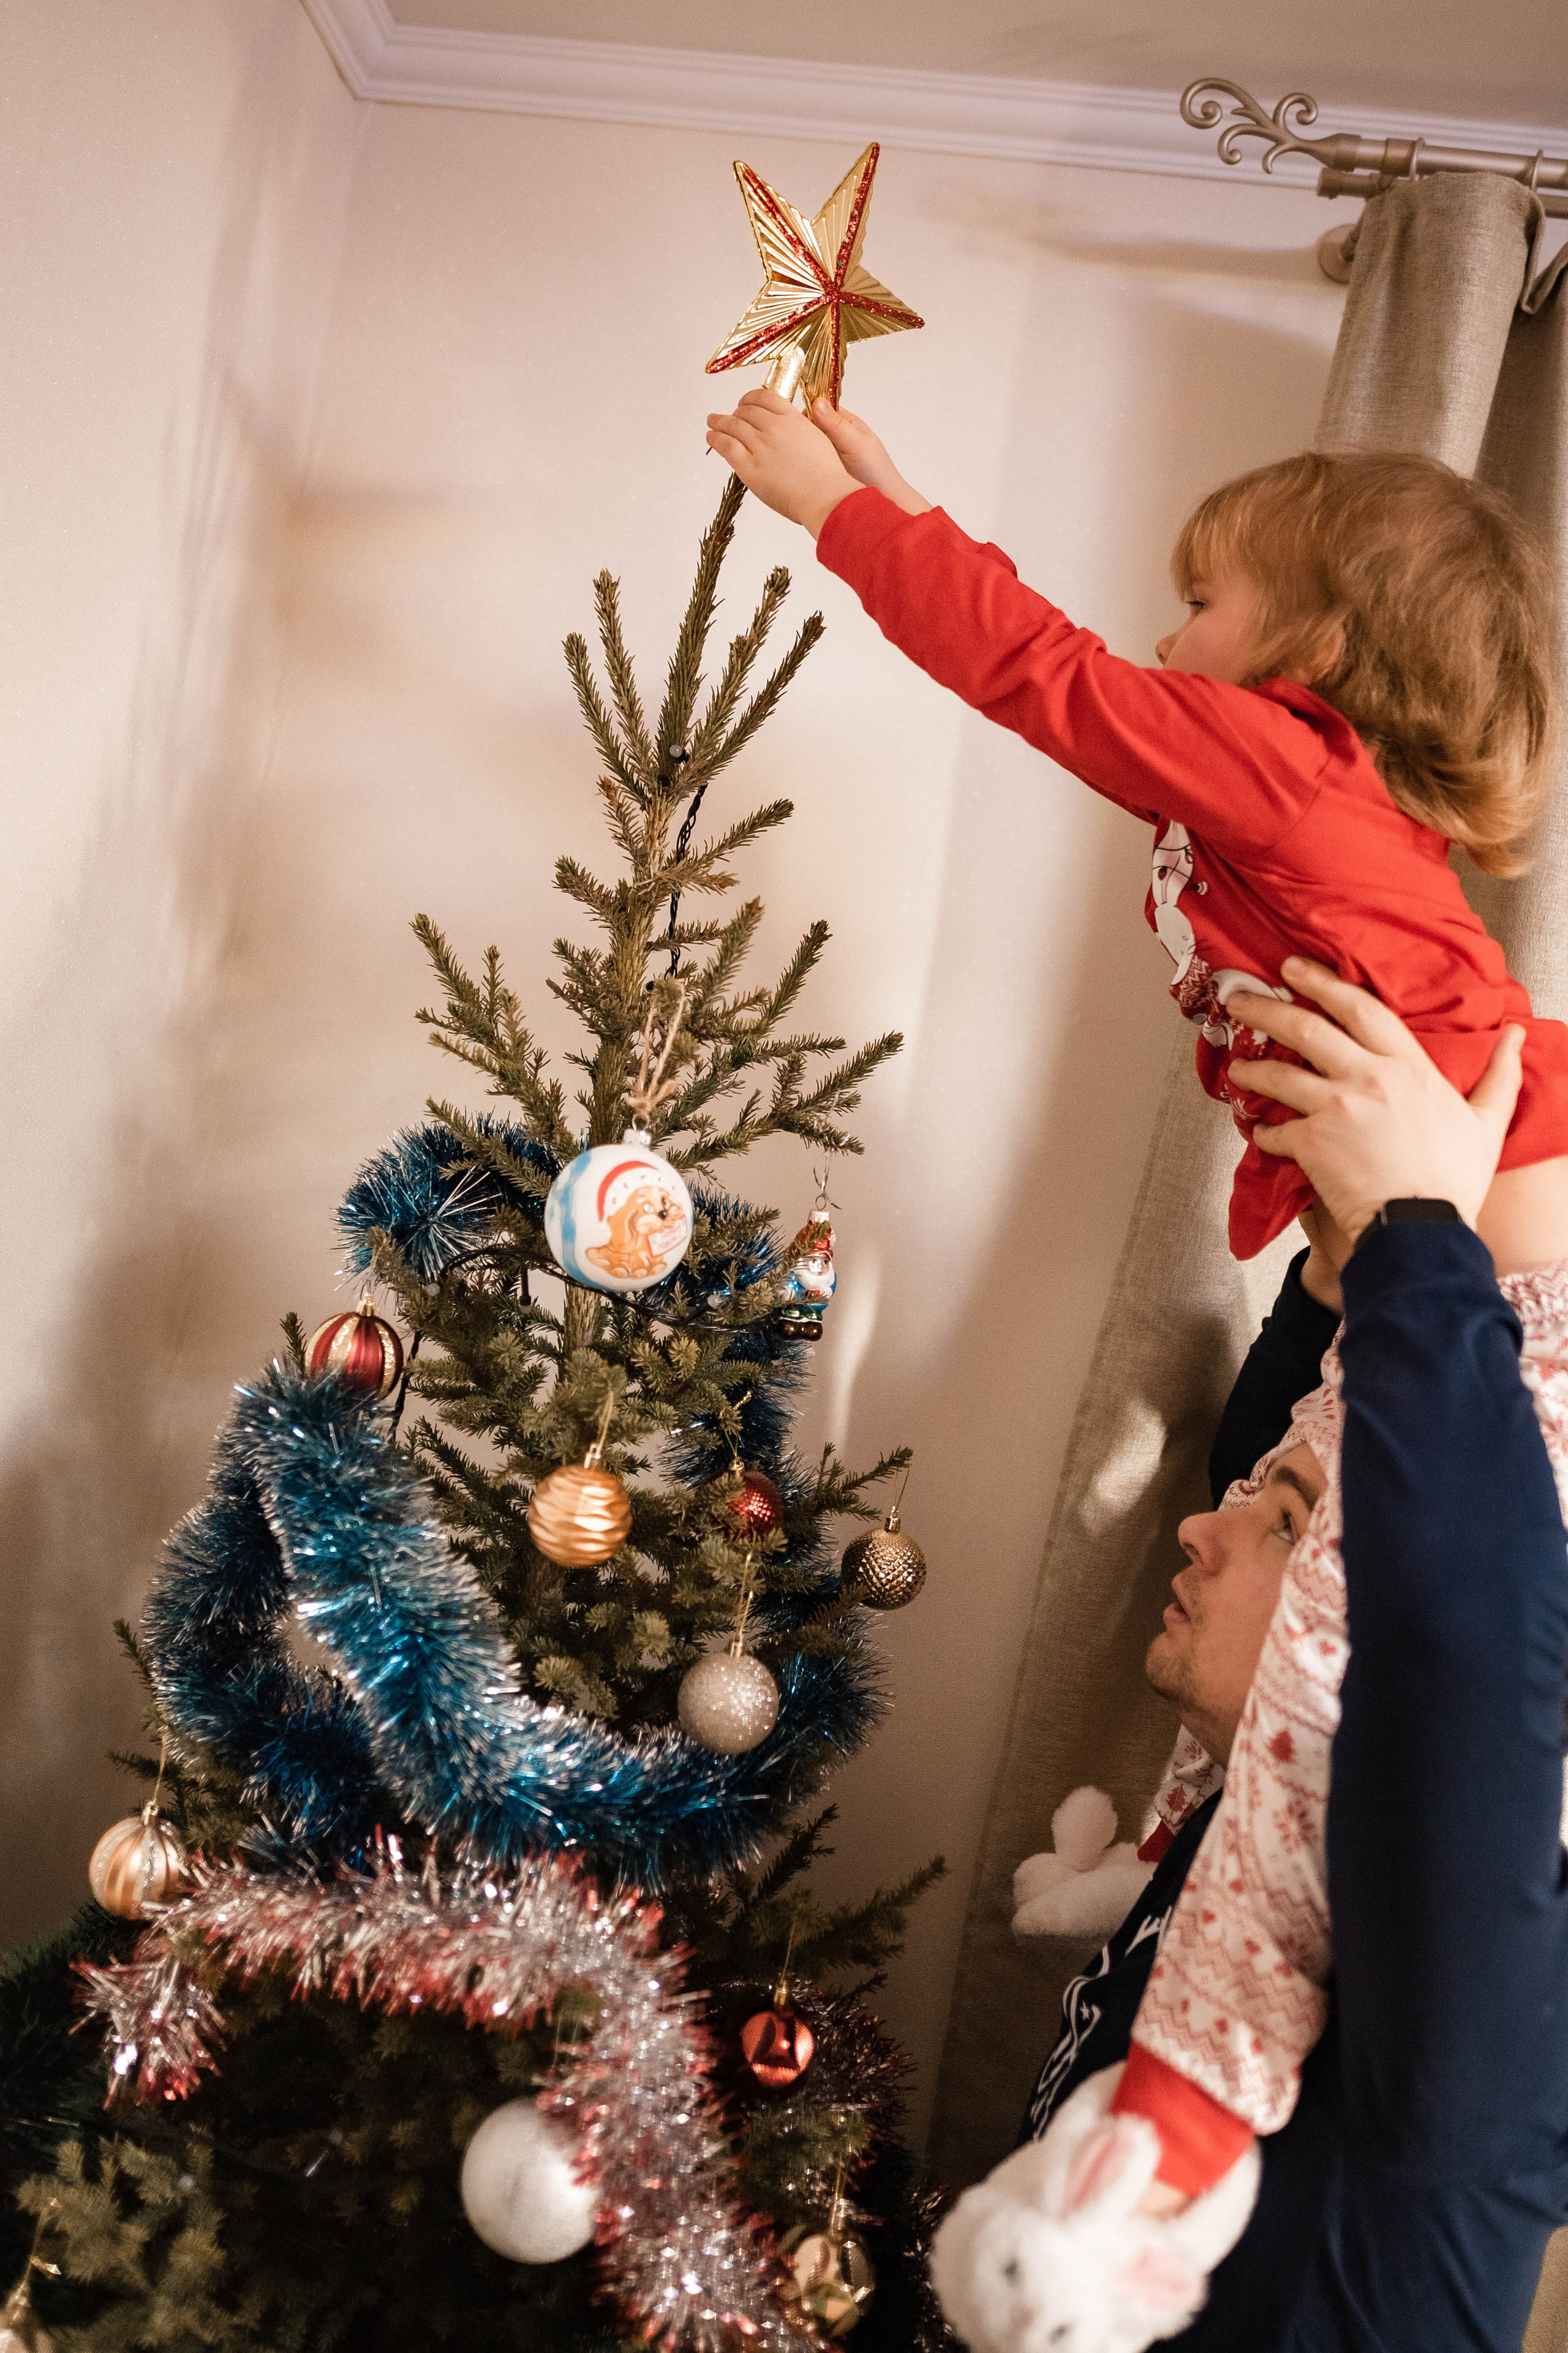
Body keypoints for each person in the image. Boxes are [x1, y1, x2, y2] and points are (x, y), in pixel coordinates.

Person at [701, 388, 1568, 2204]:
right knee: (1281, 1552)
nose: (1172, 638)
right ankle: (1167, 1907)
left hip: (1516, 1204)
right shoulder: (1305, 796)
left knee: (1346, 1633)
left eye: (1206, 598)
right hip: (1470, 1205)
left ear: (1319, 648)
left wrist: (839, 523)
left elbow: (1052, 680)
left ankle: (1194, 2101)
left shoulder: (1289, 762)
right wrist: (909, 491)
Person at [929, 969, 1568, 2353]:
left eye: (1279, 1523)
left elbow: (1461, 1620)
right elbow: (1280, 1471)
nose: (1198, 1525)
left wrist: (1417, 1227)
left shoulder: (1473, 1964)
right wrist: (1337, 1280)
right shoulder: (1260, 1811)